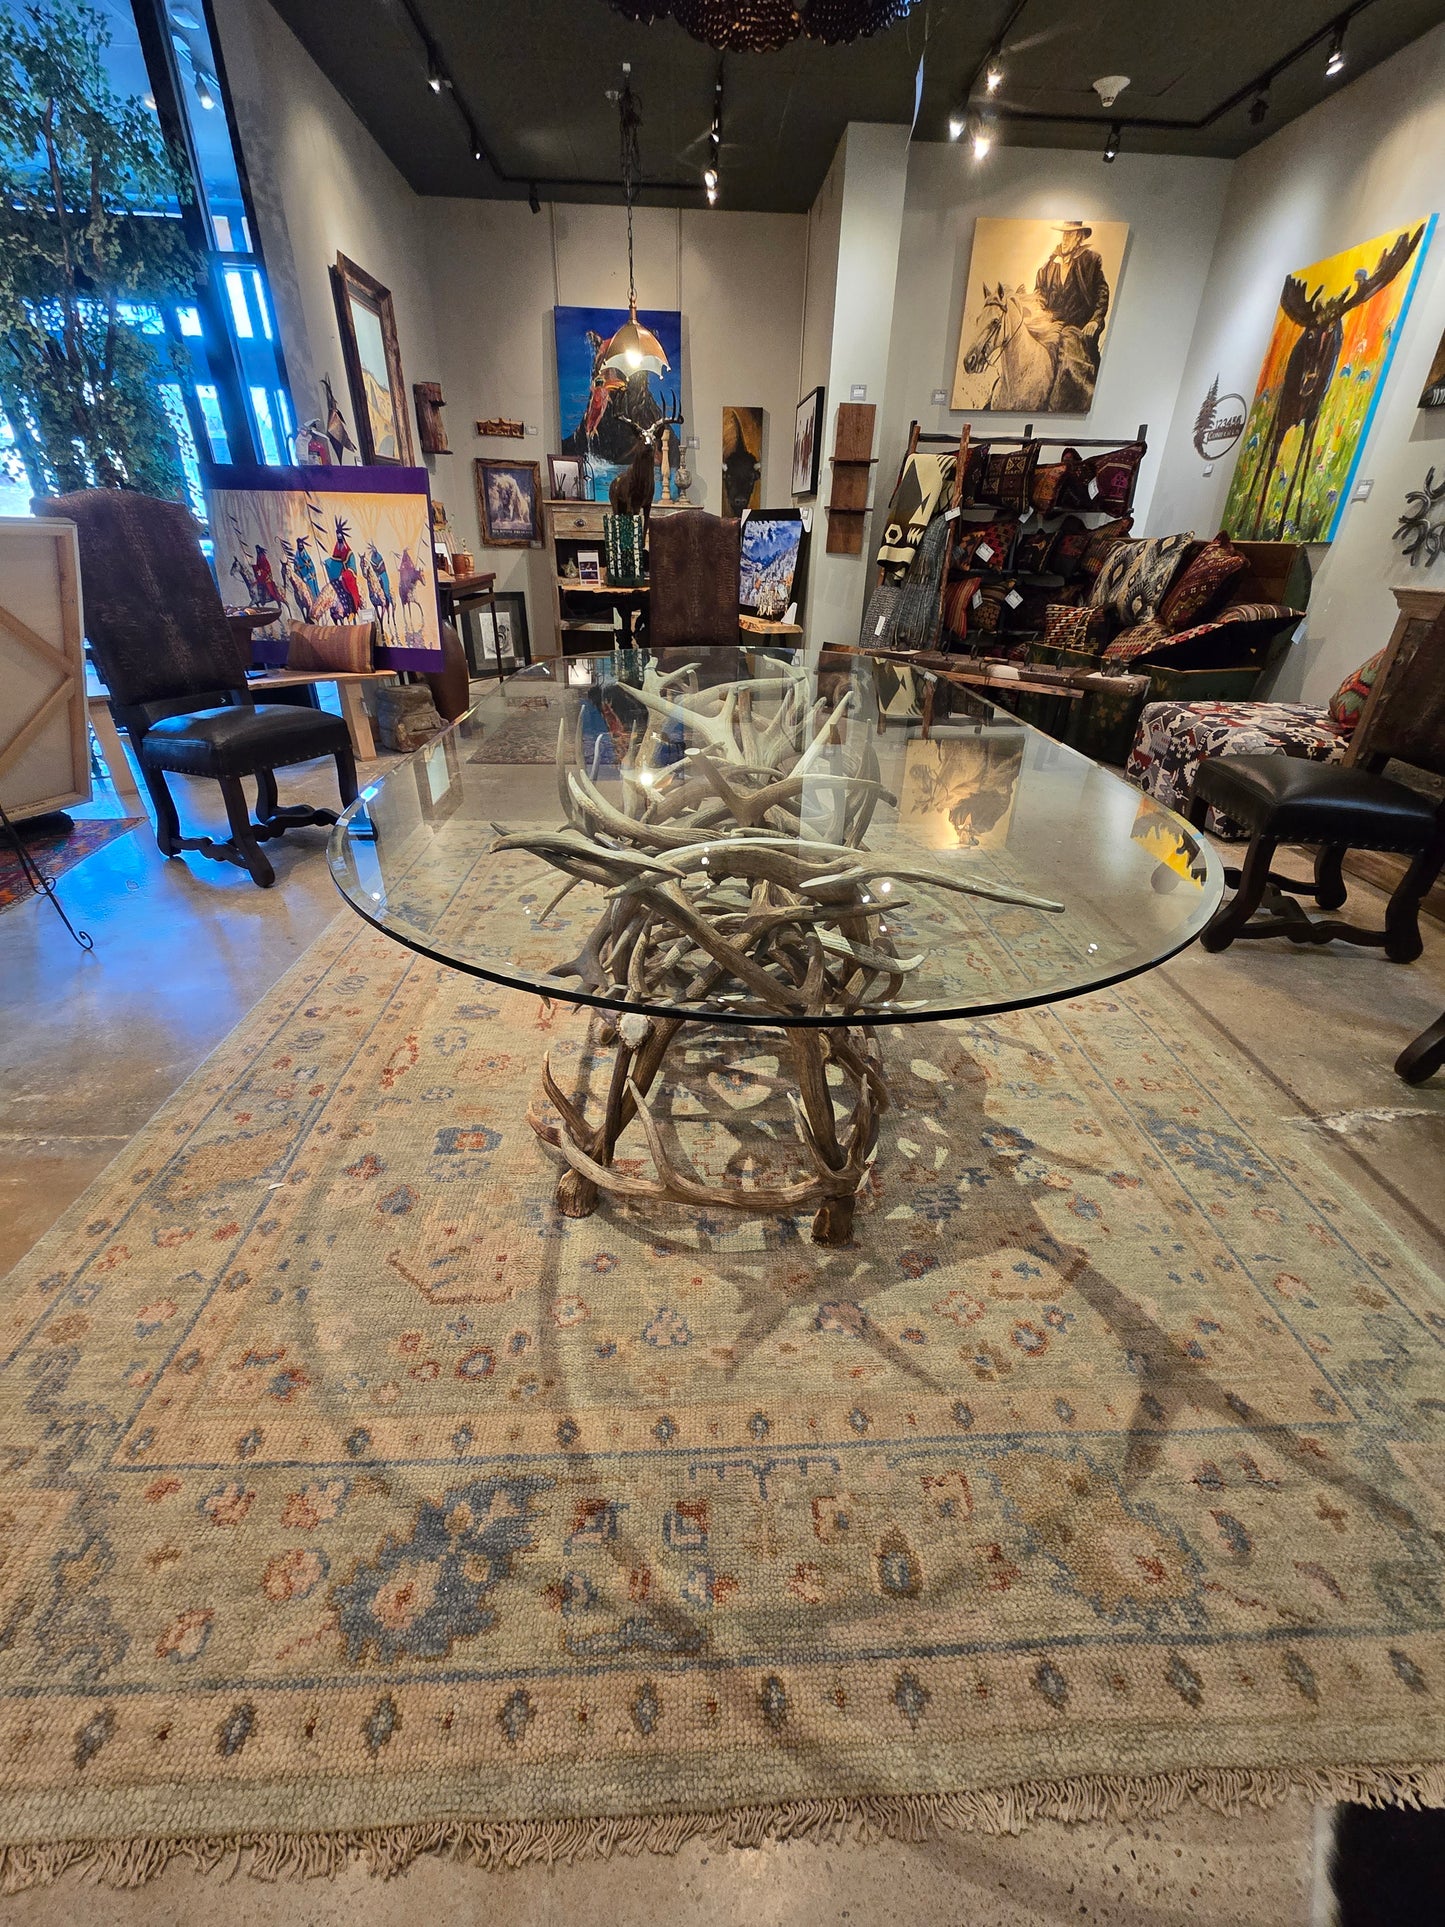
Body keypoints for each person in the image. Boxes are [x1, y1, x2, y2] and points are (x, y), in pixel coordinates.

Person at [1030, 220, 1110, 403]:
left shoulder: (1091, 260)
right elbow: (1039, 293)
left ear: (1079, 237)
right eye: (1064, 234)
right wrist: (1038, 313)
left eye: (1070, 234)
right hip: (1050, 326)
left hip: (1077, 327)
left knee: (1070, 361)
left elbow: (1102, 294)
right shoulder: (1049, 265)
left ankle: (1061, 404)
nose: (1065, 238)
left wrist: (1094, 321)